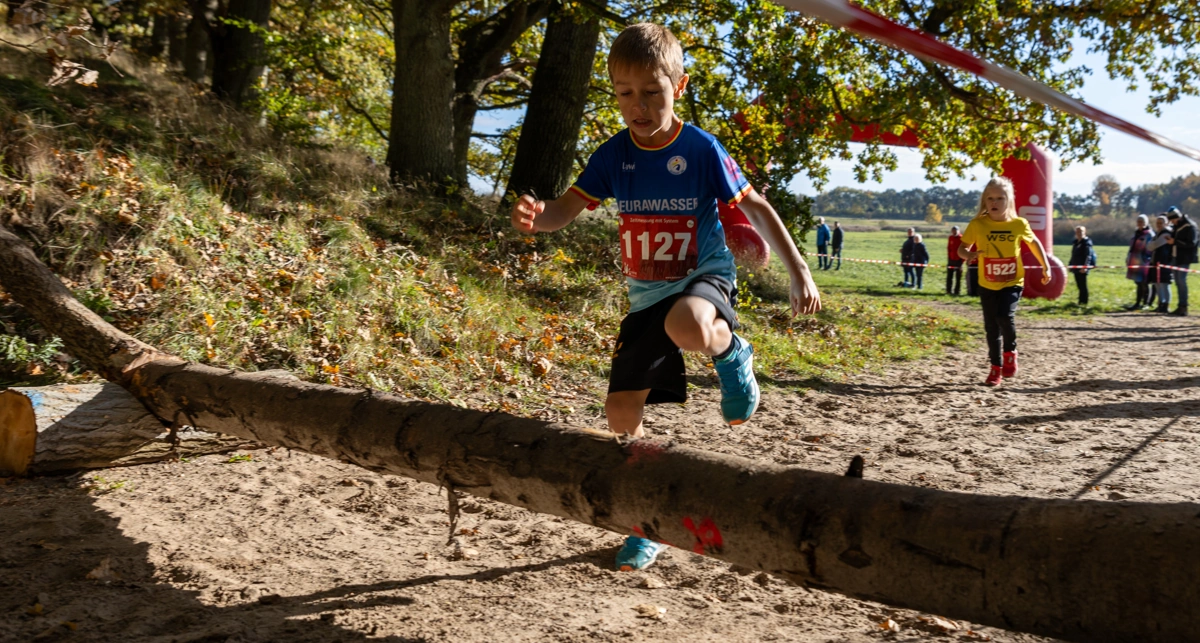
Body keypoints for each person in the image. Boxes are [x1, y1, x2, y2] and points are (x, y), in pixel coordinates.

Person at [509, 23, 821, 572]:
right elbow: (564, 209)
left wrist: (799, 271)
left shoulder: (701, 149)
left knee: (688, 324)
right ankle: (644, 523)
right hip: (646, 298)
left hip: (704, 277)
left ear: (679, 85)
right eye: (625, 93)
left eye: (653, 91)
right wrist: (536, 218)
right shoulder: (613, 156)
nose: (639, 105)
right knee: (619, 412)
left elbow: (755, 207)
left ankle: (733, 353)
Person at [958, 177, 1050, 386]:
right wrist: (968, 255)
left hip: (1012, 281)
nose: (995, 202)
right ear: (984, 200)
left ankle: (1010, 352)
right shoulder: (978, 224)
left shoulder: (1019, 224)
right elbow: (962, 248)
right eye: (990, 198)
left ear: (1009, 200)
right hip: (987, 283)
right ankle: (995, 368)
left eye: (1000, 198)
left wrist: (1045, 265)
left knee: (1005, 317)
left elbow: (1034, 243)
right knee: (991, 328)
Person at [1166, 206, 1197, 316]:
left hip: (1185, 258)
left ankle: (1184, 307)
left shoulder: (1190, 226)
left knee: (1181, 281)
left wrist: (1175, 241)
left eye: (1172, 220)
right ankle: (1180, 306)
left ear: (1177, 217)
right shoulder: (1176, 226)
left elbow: (1192, 243)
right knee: (1178, 282)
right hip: (1175, 257)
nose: (1172, 222)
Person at [1124, 215, 1155, 311]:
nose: (1140, 223)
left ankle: (1146, 303)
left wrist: (1146, 259)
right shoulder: (1136, 233)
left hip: (1144, 262)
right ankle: (1137, 303)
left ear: (1146, 223)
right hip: (1134, 260)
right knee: (1138, 282)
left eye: (1142, 221)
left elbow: (1150, 249)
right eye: (1138, 221)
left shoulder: (1149, 234)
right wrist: (1128, 257)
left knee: (1144, 283)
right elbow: (1132, 247)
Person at [1146, 215, 1174, 313]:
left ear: (1166, 223)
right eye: (1157, 223)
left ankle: (1166, 305)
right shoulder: (1157, 234)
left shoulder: (1166, 234)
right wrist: (1151, 244)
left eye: (1161, 223)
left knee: (1164, 284)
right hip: (1156, 262)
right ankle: (1161, 303)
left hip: (1164, 262)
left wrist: (1151, 244)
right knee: (1157, 284)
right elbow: (1149, 247)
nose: (1158, 225)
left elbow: (1153, 245)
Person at [1067, 225, 1097, 306]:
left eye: (1081, 231)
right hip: (1076, 267)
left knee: (1083, 286)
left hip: (1082, 268)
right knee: (1079, 285)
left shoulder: (1086, 243)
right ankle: (1080, 302)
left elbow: (1088, 256)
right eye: (1077, 232)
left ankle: (1084, 303)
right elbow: (1073, 255)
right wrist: (1070, 265)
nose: (1079, 233)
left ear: (1085, 232)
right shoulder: (1076, 243)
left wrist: (1085, 267)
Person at [946, 225, 963, 295]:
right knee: (949, 276)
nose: (954, 232)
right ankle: (948, 290)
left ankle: (957, 291)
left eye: (955, 231)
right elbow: (949, 248)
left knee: (958, 277)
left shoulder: (962, 238)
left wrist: (962, 261)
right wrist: (949, 258)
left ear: (958, 231)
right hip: (951, 260)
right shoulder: (950, 238)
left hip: (959, 260)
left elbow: (964, 249)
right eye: (953, 231)